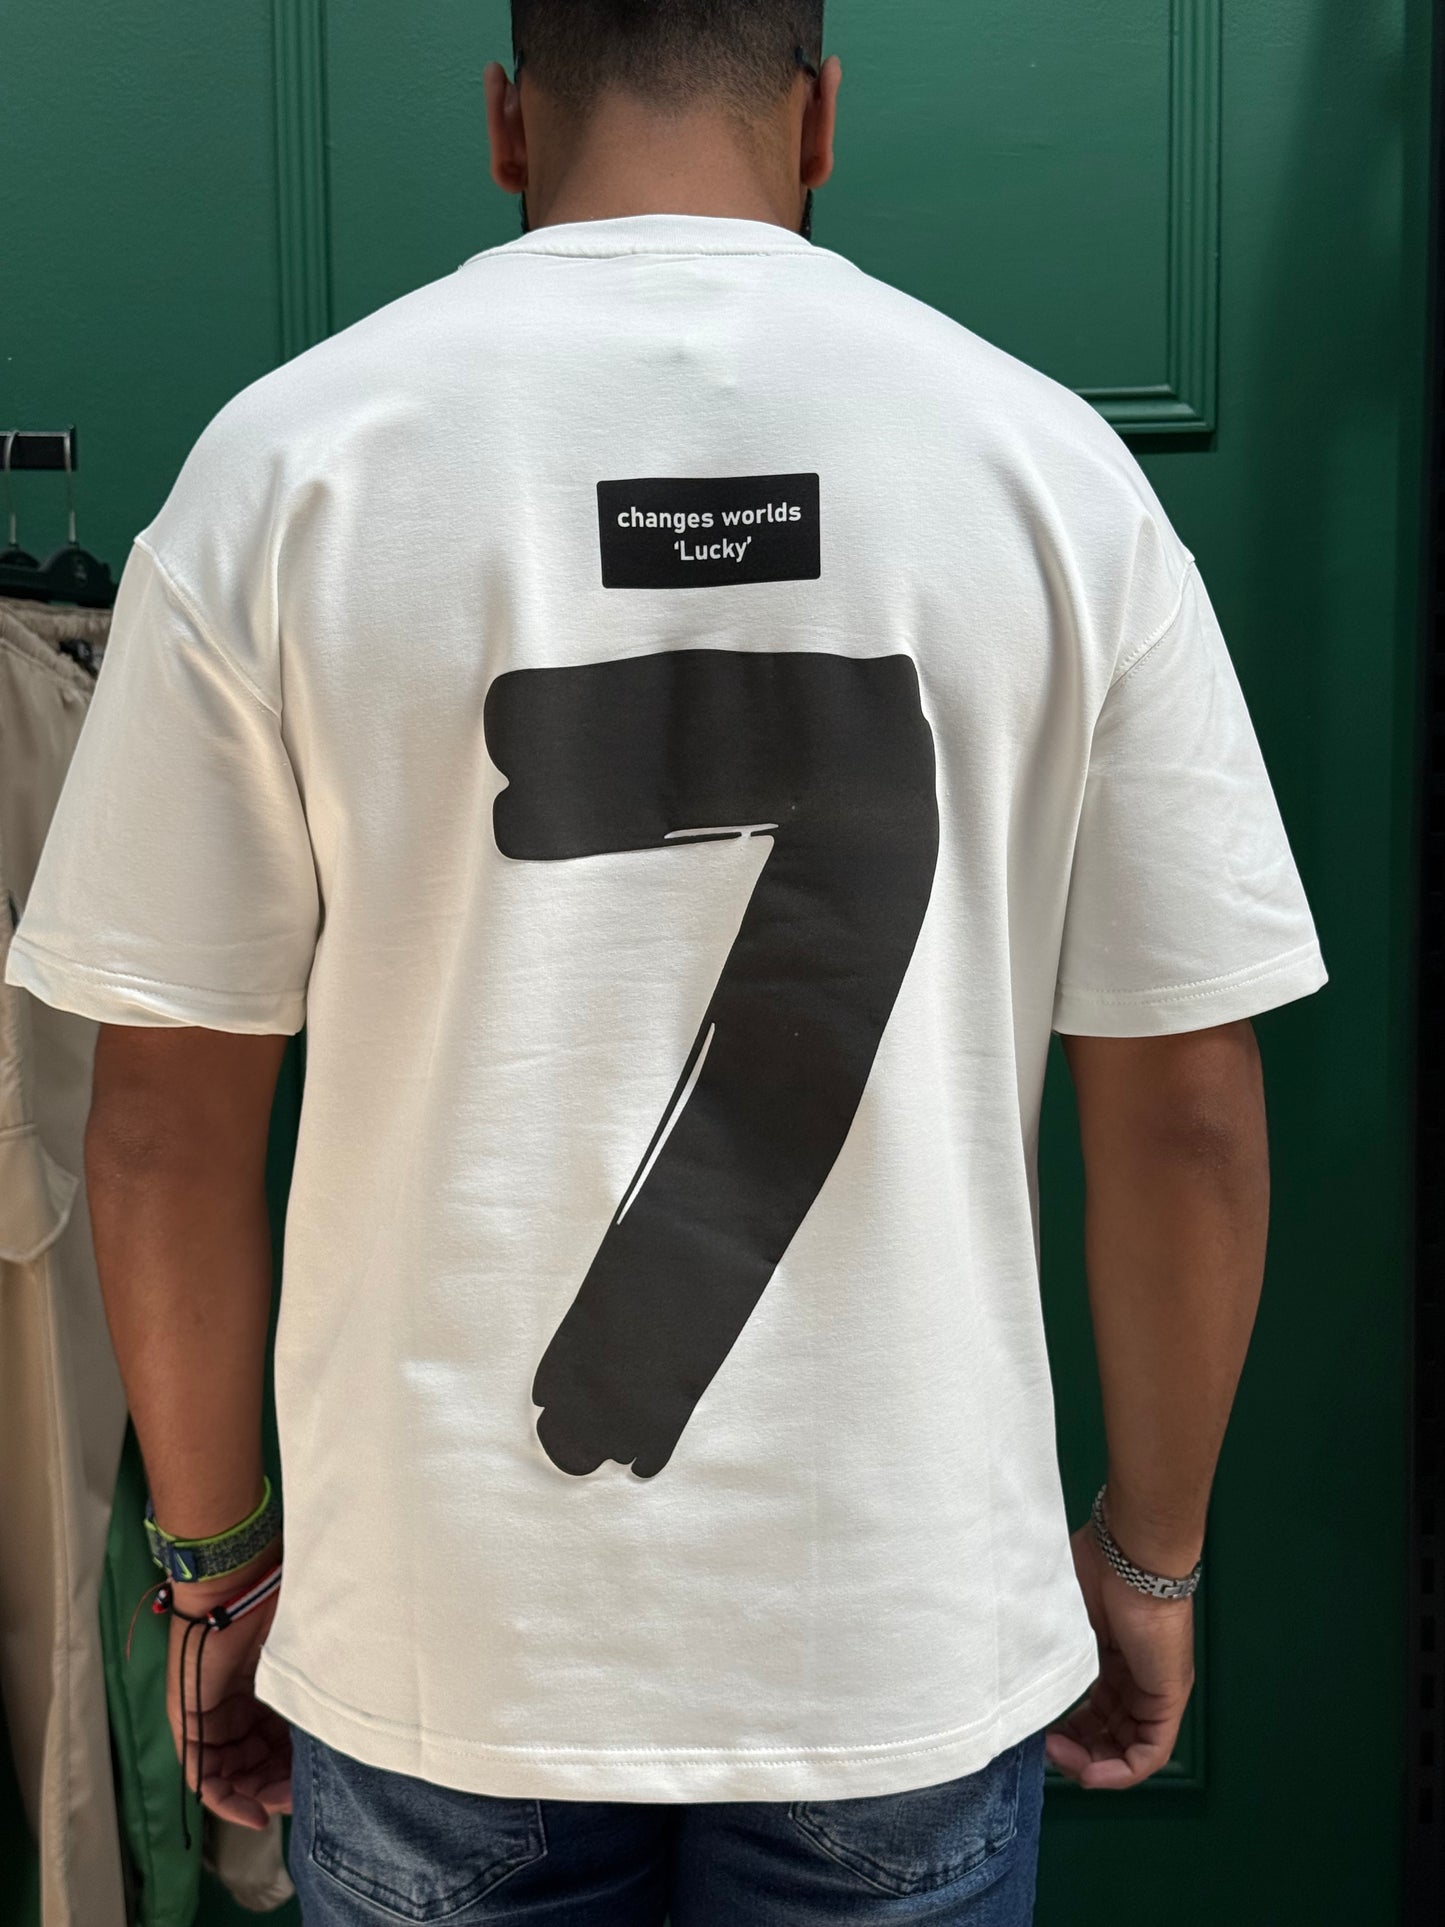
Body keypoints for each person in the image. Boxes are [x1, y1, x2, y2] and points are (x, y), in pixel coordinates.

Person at [4, 3, 1328, 1921]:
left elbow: (160, 1125)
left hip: (446, 1647)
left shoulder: (284, 470)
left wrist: (214, 1570)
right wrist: (1149, 1558)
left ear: (502, 121)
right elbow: (1188, 1109)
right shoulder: (1050, 473)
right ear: (820, 118)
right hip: (897, 1642)